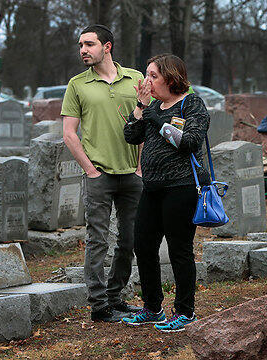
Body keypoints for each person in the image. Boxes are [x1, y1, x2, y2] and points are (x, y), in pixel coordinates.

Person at [121, 54, 209, 332]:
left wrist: (154, 116)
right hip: (152, 187)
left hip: (181, 187)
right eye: (146, 75)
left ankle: (185, 311)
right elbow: (131, 136)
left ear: (171, 78)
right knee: (143, 246)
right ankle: (152, 307)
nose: (146, 81)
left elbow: (188, 141)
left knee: (179, 250)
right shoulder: (153, 106)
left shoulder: (191, 103)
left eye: (152, 76)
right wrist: (141, 107)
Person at [61, 24, 143, 322]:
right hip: (99, 175)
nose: (83, 50)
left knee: (130, 239)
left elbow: (147, 121)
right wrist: (90, 170)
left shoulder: (135, 78)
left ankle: (116, 297)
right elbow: (69, 133)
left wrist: (140, 165)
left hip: (132, 174)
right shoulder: (77, 84)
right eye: (80, 45)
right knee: (97, 240)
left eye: (89, 44)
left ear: (107, 47)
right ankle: (98, 305)